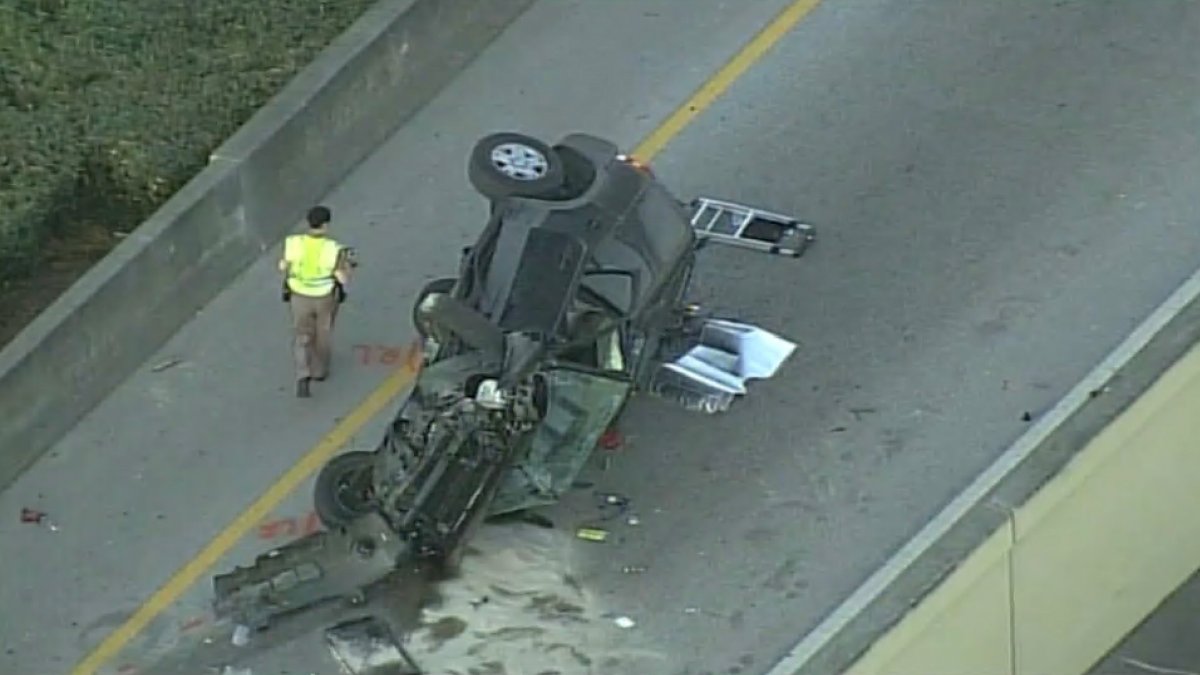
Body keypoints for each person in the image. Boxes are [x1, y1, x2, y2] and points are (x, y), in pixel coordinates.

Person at [278, 205, 352, 398]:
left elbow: (283, 265)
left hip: (299, 295)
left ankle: (303, 373)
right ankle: (319, 370)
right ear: (326, 225)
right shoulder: (332, 249)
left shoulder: (294, 243)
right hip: (323, 296)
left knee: (302, 335)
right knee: (323, 332)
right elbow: (342, 278)